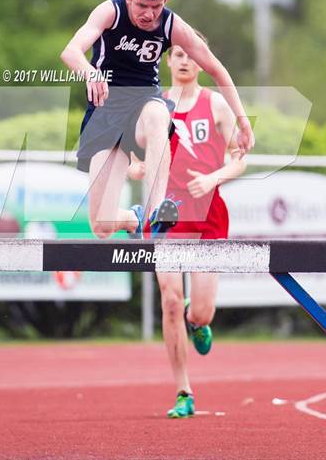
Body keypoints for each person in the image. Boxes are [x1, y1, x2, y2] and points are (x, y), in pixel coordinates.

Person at [61, 0, 253, 240]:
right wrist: (91, 74)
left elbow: (215, 68)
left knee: (157, 114)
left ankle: (157, 209)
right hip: (106, 113)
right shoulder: (110, 11)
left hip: (143, 106)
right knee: (101, 227)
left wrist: (242, 118)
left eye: (156, 7)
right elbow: (71, 52)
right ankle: (133, 218)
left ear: (166, 0)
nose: (149, 15)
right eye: (142, 6)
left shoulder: (171, 24)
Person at [128, 32, 247, 418]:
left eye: (191, 55)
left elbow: (239, 159)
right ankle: (184, 392)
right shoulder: (154, 106)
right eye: (177, 54)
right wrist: (136, 167)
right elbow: (129, 149)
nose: (184, 61)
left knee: (201, 312)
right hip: (169, 214)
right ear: (168, 60)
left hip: (210, 213)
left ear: (201, 61)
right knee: (170, 301)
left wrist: (214, 179)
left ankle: (199, 321)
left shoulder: (216, 105)